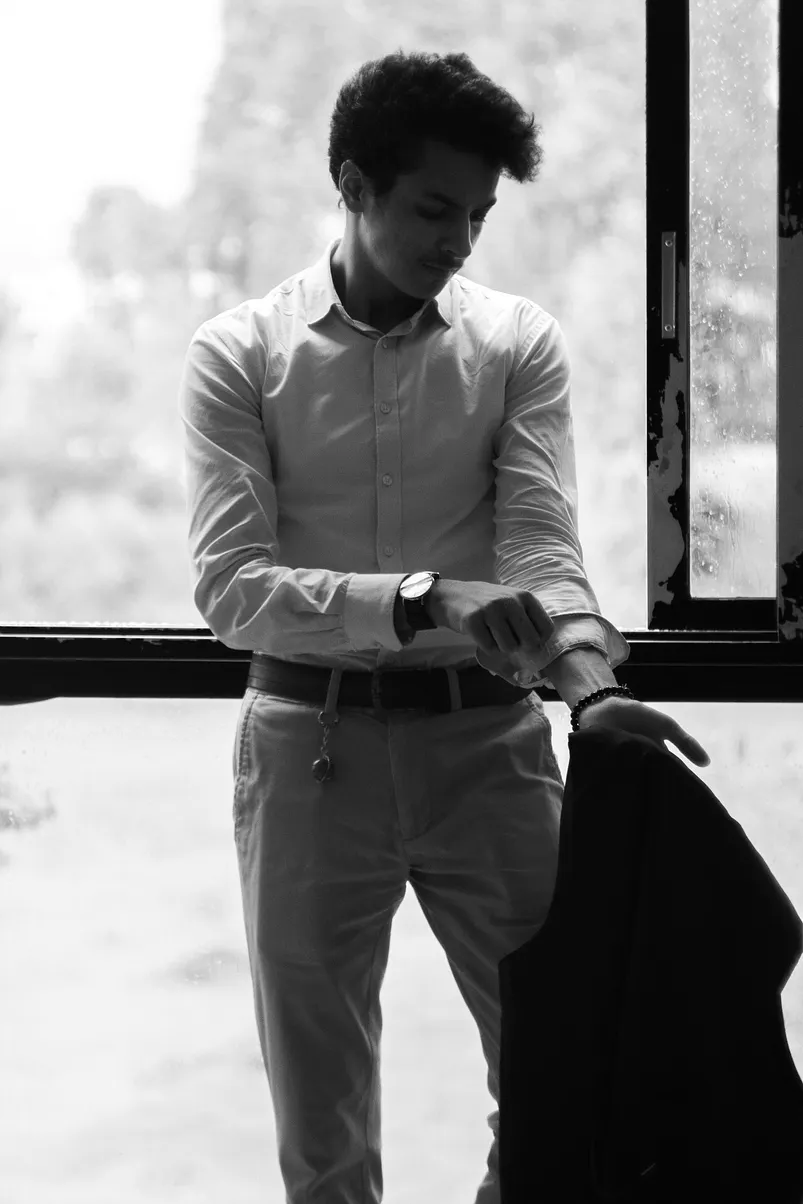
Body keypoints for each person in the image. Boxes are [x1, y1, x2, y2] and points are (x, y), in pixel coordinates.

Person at [179, 48, 634, 1204]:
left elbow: (538, 544)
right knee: (320, 1122)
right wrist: (422, 599)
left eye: (478, 214)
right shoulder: (238, 354)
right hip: (305, 752)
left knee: (558, 1074)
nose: (460, 242)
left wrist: (591, 690)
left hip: (489, 747)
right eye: (435, 208)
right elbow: (234, 588)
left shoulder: (516, 345)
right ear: (352, 183)